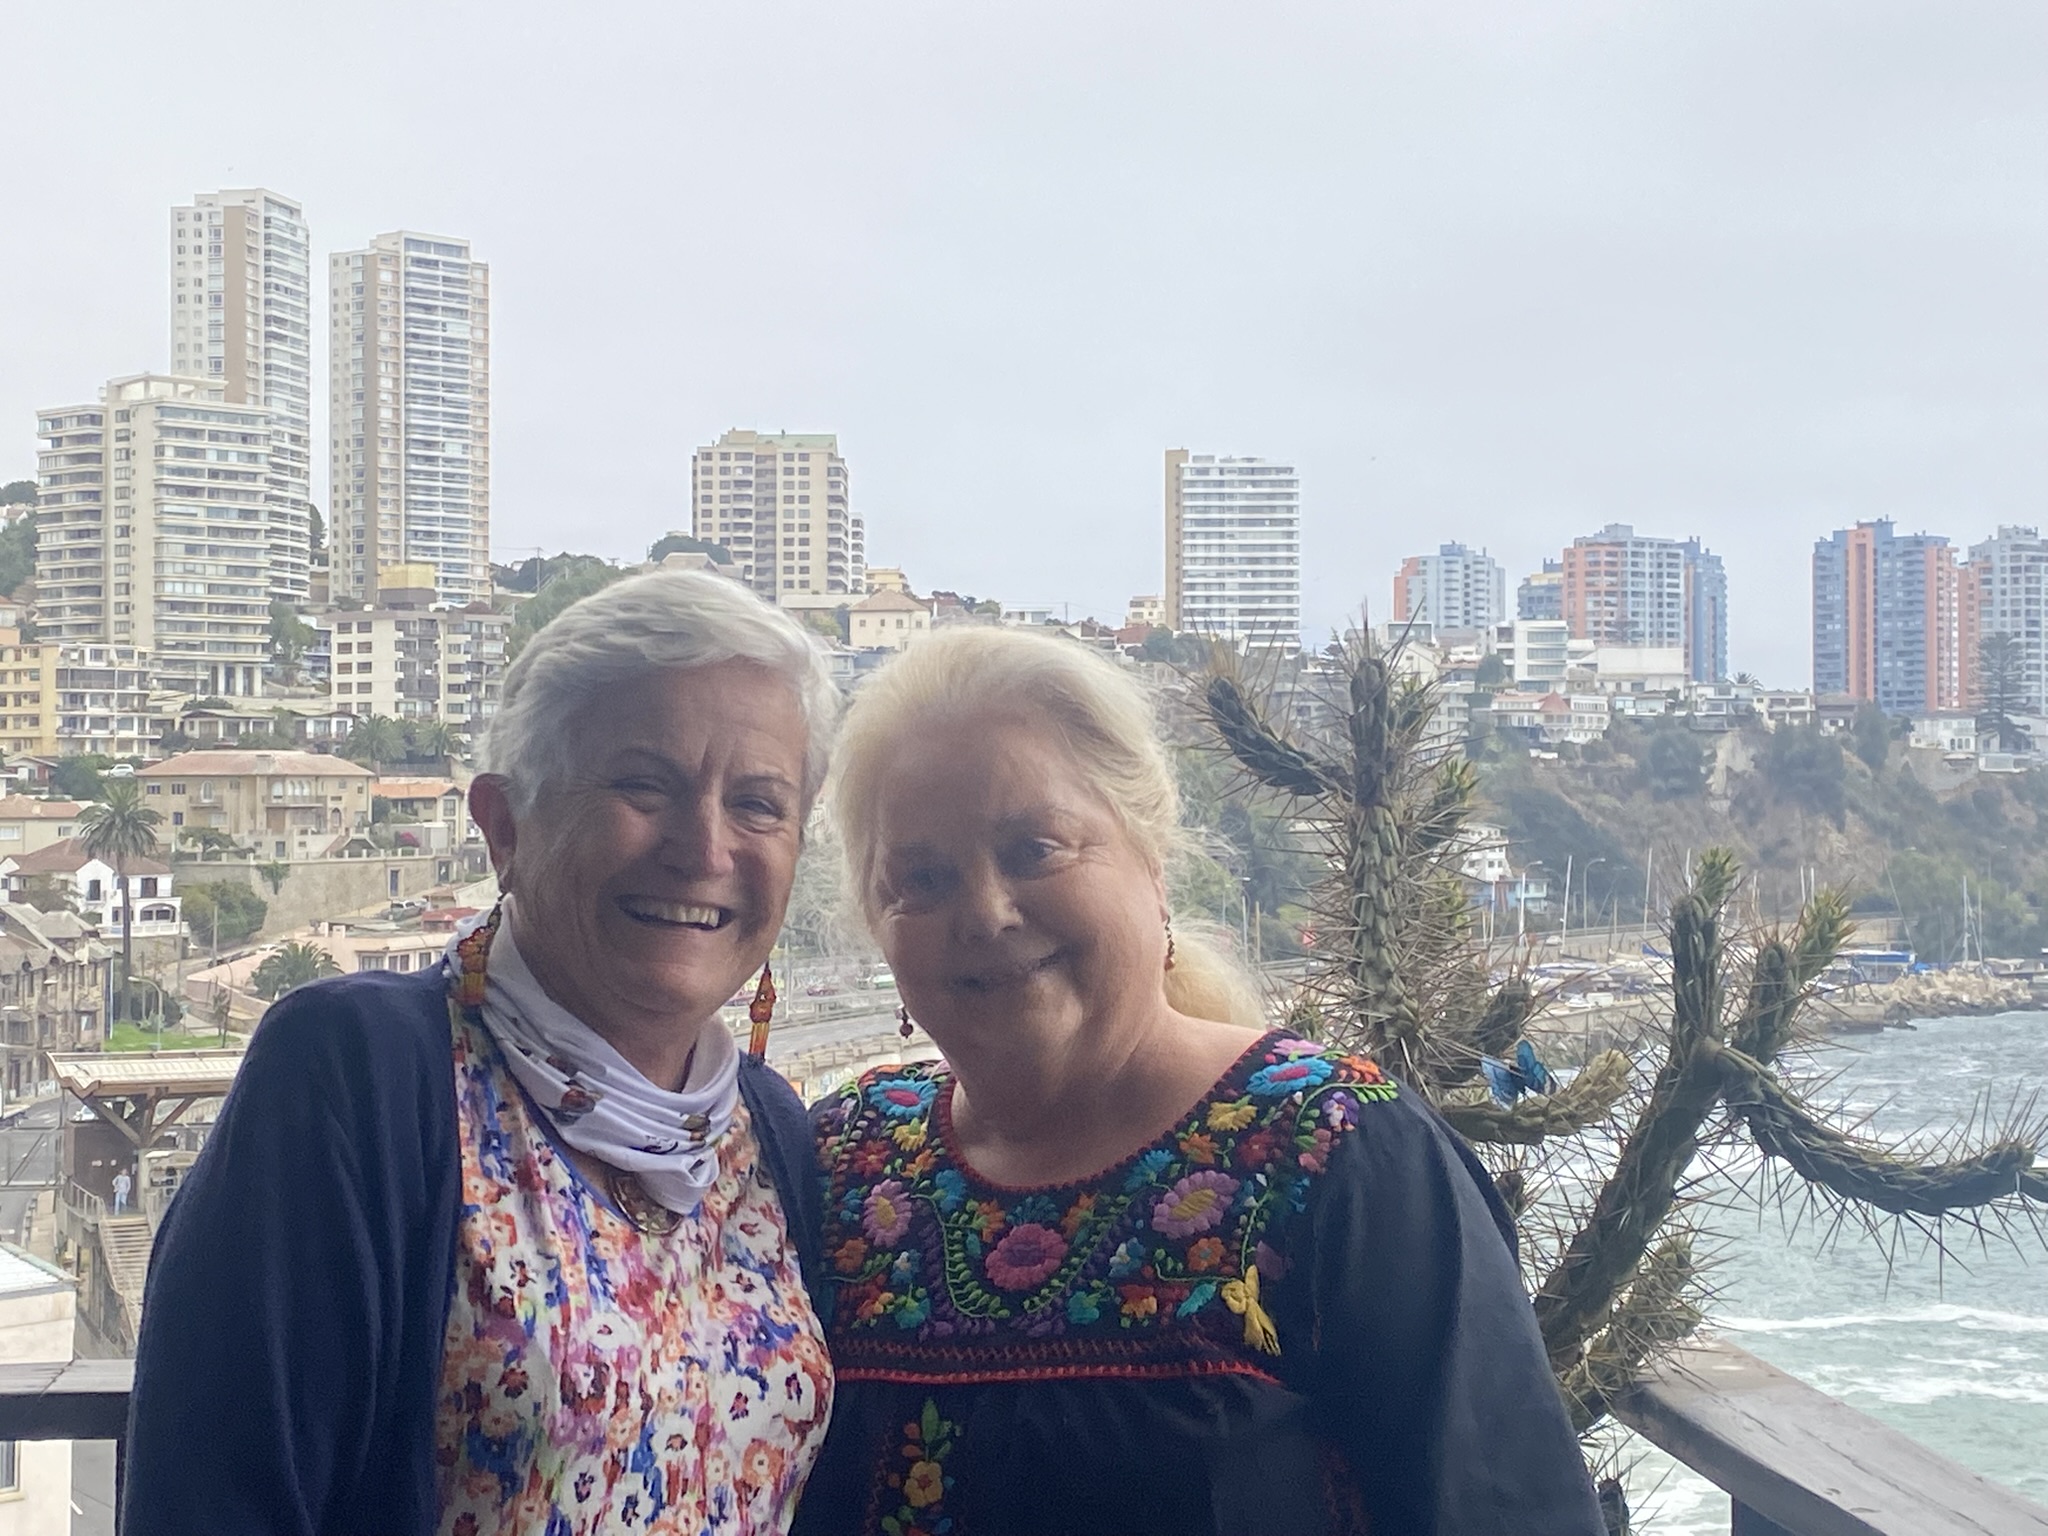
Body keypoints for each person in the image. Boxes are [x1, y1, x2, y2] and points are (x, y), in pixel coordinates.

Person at [797, 628, 1604, 1536]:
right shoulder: (842, 1163)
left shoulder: (1337, 1152)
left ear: (1150, 863)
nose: (984, 912)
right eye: (922, 878)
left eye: (1034, 849)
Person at [127, 571, 841, 1535]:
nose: (705, 848)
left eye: (758, 804)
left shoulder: (770, 1131)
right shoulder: (358, 1077)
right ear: (505, 827)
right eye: (644, 785)